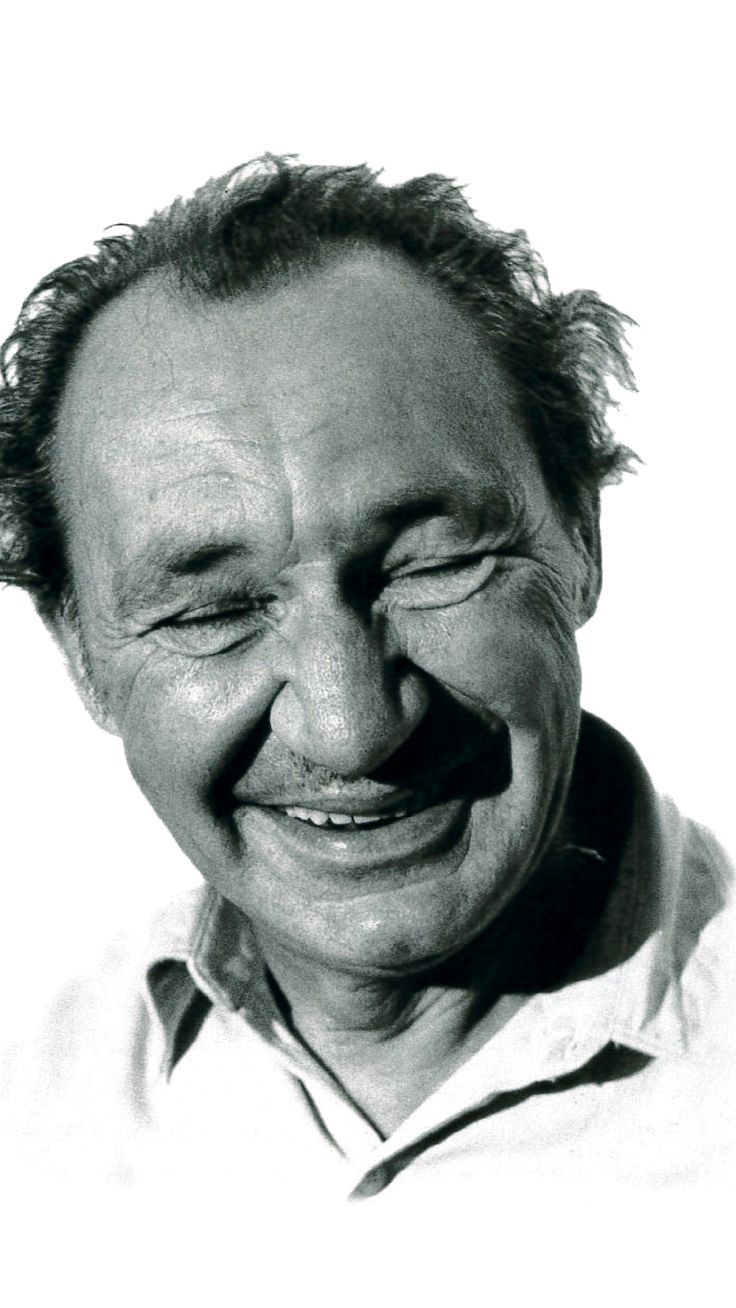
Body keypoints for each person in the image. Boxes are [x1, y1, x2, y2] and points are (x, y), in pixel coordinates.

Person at [0, 156, 732, 1203]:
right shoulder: (32, 1113)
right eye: (210, 613)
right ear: (78, 652)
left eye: (430, 565)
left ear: (581, 538)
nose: (351, 729)